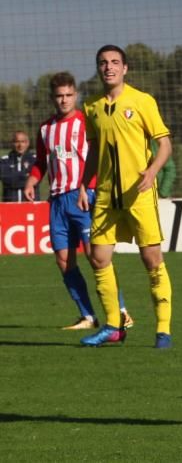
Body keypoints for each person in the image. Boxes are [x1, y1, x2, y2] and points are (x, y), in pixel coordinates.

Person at [77, 45, 174, 348]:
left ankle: (163, 329)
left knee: (151, 259)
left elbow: (165, 144)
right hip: (106, 196)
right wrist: (83, 184)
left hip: (139, 194)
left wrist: (152, 170)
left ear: (125, 68)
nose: (109, 67)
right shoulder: (91, 106)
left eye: (115, 62)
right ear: (99, 68)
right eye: (103, 63)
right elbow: (94, 150)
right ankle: (113, 326)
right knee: (98, 257)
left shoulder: (142, 101)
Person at [23, 72, 133, 331]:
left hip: (83, 195)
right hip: (58, 201)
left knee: (97, 257)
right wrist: (32, 180)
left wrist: (90, 187)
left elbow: (100, 155)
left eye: (68, 95)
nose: (64, 100)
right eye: (59, 96)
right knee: (63, 260)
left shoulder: (87, 122)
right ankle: (88, 316)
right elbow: (41, 162)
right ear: (52, 98)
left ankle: (121, 311)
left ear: (76, 95)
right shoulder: (45, 129)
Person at [0, 131, 37, 202]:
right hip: (10, 205)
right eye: (17, 142)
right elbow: (6, 180)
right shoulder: (4, 160)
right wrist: (26, 176)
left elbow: (36, 179)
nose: (20, 145)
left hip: (31, 204)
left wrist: (14, 176)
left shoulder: (35, 160)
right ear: (12, 143)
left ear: (27, 143)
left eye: (23, 141)